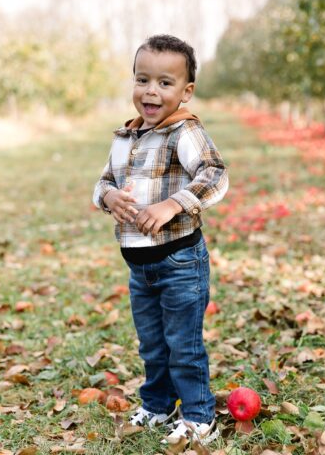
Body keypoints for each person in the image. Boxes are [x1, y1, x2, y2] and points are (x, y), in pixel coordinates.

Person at [92, 34, 228, 445]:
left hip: (180, 262)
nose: (151, 90)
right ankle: (157, 405)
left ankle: (200, 417)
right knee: (152, 344)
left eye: (165, 83)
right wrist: (109, 196)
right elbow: (103, 182)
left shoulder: (183, 133)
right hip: (139, 265)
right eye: (143, 79)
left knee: (182, 345)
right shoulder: (124, 137)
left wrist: (173, 205)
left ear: (186, 92)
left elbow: (214, 174)